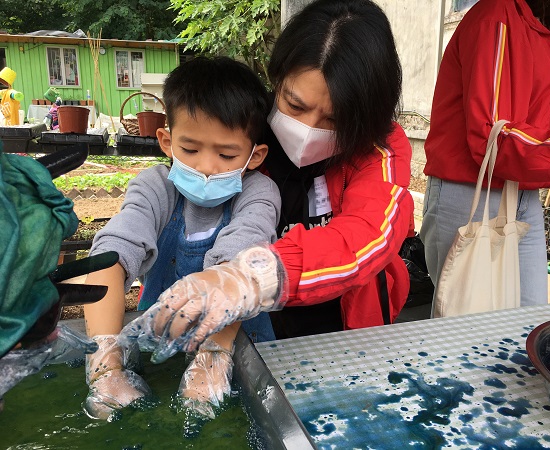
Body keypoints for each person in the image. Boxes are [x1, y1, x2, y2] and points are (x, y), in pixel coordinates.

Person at [119, 0, 414, 369]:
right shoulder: (244, 130)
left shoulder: (379, 147)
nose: (309, 129)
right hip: (253, 327)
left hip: (344, 325)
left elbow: (370, 235)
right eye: (294, 104)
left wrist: (254, 276)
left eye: (335, 119)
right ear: (278, 78)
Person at [82, 56, 281, 420]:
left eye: (226, 154)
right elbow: (111, 255)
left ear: (255, 155)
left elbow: (239, 265)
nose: (206, 166)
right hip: (160, 349)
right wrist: (106, 360)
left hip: (241, 347)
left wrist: (212, 358)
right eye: (190, 150)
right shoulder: (154, 187)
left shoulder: (259, 193)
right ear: (166, 141)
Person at [420, 0, 550, 308]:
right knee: (469, 331)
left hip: (524, 195)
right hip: (470, 194)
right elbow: (493, 137)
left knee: (529, 325)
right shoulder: (496, 17)